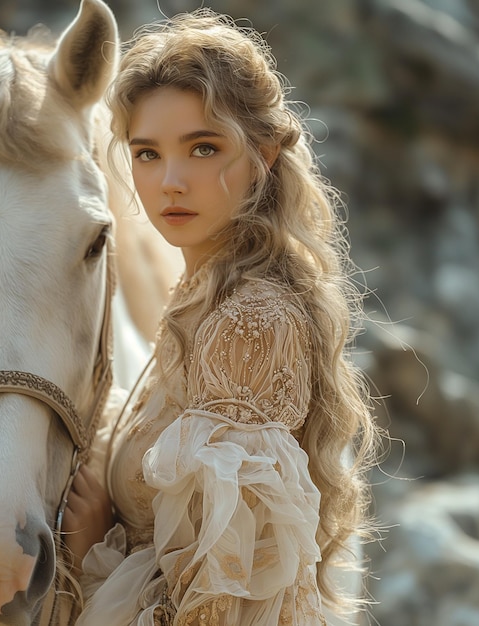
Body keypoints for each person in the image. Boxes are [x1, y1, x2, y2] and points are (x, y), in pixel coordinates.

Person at [63, 8, 379, 625]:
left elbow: (220, 608)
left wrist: (92, 545)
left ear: (262, 154)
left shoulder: (250, 322)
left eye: (202, 148)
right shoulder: (203, 294)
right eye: (147, 153)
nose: (171, 182)